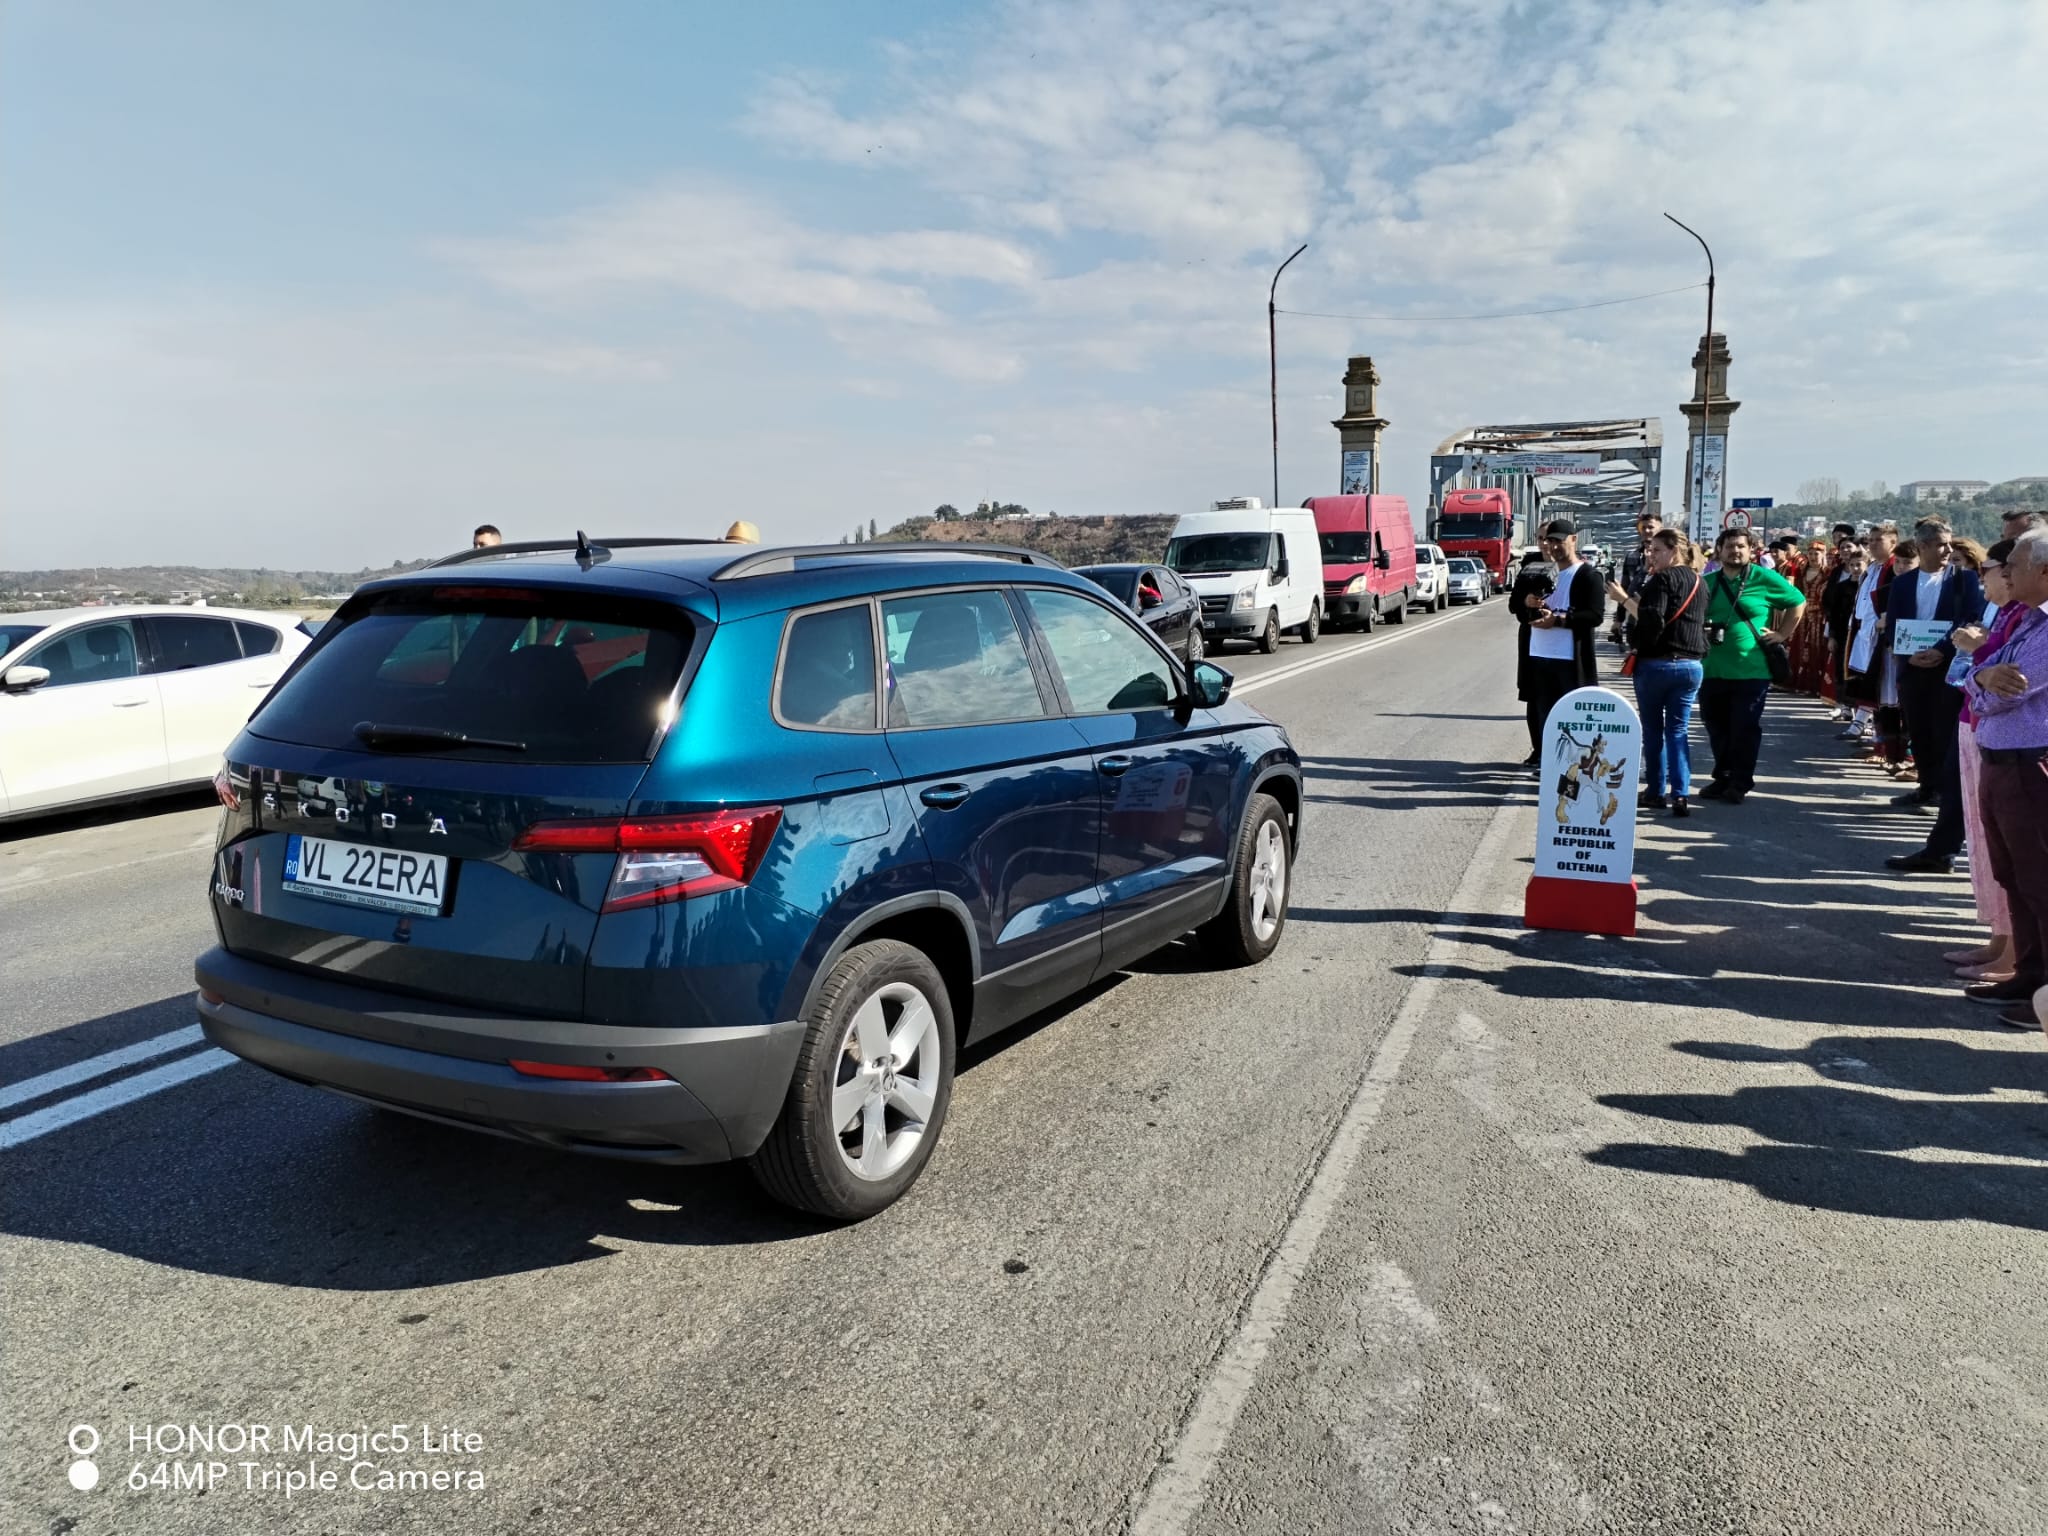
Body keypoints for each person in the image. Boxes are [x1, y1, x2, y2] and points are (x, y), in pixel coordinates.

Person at [1958, 526, 2048, 1031]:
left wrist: (1982, 681)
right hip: (2002, 763)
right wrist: (1981, 676)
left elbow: (2004, 692)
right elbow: (1979, 672)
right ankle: (2030, 973)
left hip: (2031, 767)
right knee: (2015, 876)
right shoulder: (2028, 620)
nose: (2004, 571)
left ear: (2045, 572)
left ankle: (2045, 994)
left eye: (2014, 563)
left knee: (2041, 878)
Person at [1879, 519, 1983, 870]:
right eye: (1940, 544)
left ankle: (1941, 791)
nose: (1947, 550)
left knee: (1943, 731)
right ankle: (1926, 785)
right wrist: (1906, 651)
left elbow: (1969, 619)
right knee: (1918, 728)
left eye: (1949, 543)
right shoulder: (1903, 582)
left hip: (1947, 668)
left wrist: (1941, 650)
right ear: (1922, 546)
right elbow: (1894, 623)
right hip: (1912, 667)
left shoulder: (1964, 580)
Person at [1943, 539, 2023, 981]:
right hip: (1975, 723)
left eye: (1989, 568)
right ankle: (2000, 937)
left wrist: (1979, 652)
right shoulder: (2005, 613)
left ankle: (2015, 952)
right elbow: (1980, 676)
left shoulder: (2027, 617)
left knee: (2010, 848)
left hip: (2002, 737)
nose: (1986, 577)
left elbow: (2008, 680)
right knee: (1985, 840)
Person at [1697, 527, 1806, 804]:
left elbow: (1798, 601)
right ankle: (1722, 777)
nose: (1735, 551)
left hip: (1752, 670)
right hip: (1712, 669)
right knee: (1716, 727)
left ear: (1750, 550)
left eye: (1741, 546)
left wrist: (1782, 634)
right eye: (1730, 546)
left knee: (1744, 728)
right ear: (1719, 550)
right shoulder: (1707, 582)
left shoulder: (1763, 577)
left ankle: (1740, 782)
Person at [1607, 528, 1705, 815]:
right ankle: (1681, 794)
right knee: (1678, 731)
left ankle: (1655, 791)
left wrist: (1623, 599)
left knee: (1653, 731)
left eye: (1657, 550)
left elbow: (1652, 621)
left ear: (1674, 551)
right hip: (1690, 665)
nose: (1651, 555)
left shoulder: (1662, 579)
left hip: (1657, 664)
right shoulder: (1700, 581)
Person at [1515, 523, 1605, 769]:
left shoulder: (1588, 575)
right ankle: (1549, 765)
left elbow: (1595, 615)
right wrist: (1527, 603)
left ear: (1573, 540)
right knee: (1544, 716)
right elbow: (1518, 609)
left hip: (1569, 660)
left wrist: (1558, 620)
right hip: (1538, 655)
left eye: (1559, 541)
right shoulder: (1539, 572)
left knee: (1571, 718)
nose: (1553, 546)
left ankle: (1573, 767)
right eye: (1550, 541)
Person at [1822, 539, 1869, 721]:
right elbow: (1833, 613)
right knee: (1842, 670)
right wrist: (1832, 636)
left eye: (1859, 565)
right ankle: (1844, 705)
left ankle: (1862, 710)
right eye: (1852, 565)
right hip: (1842, 634)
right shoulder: (1841, 587)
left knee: (1860, 671)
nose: (1856, 569)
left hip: (1862, 635)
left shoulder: (1867, 586)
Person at [1614, 511, 1661, 647]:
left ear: (1660, 528)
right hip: (1634, 619)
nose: (1646, 531)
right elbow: (1624, 589)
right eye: (1643, 527)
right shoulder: (1632, 557)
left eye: (1651, 527)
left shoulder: (1667, 556)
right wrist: (1619, 619)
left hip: (1657, 616)